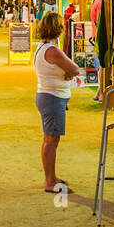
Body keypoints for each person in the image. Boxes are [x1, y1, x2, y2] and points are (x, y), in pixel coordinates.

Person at [33, 11, 82, 193]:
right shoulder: (52, 51)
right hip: (52, 98)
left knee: (51, 139)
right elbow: (75, 68)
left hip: (49, 96)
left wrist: (67, 72)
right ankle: (49, 182)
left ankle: (52, 177)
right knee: (51, 140)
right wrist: (69, 73)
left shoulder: (42, 48)